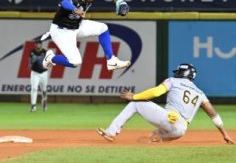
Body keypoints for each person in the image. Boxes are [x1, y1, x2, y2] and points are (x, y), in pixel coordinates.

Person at [97, 63, 235, 144]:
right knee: (150, 138)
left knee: (135, 104)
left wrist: (134, 96)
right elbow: (213, 114)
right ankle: (155, 139)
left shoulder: (174, 81)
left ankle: (111, 132)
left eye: (179, 72)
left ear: (183, 73)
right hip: (180, 132)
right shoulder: (200, 93)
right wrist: (225, 134)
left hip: (170, 119)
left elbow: (156, 92)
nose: (177, 74)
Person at [42, 0, 131, 71]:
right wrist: (75, 9)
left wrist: (116, 0)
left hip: (77, 25)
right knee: (75, 62)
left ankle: (111, 61)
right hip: (61, 31)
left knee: (103, 28)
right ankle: (50, 58)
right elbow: (64, 2)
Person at [29, 41, 49, 112]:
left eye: (39, 44)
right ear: (35, 45)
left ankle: (44, 103)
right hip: (35, 73)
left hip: (44, 73)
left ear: (41, 45)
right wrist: (33, 61)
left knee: (44, 90)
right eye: (37, 44)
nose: (38, 45)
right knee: (34, 88)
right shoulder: (32, 52)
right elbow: (30, 63)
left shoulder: (45, 52)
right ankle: (33, 105)